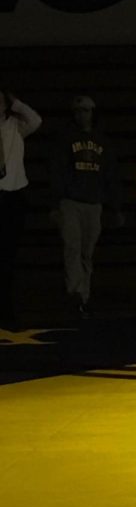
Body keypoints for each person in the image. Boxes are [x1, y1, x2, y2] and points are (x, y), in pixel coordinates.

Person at [49, 95, 123, 318]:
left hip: (94, 203)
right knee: (72, 248)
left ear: (93, 113)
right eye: (79, 111)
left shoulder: (103, 141)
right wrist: (55, 203)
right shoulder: (65, 139)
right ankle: (76, 295)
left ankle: (84, 296)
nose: (82, 115)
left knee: (86, 252)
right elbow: (56, 172)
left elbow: (111, 175)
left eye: (86, 110)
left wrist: (115, 206)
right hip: (70, 202)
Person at [0, 90, 42, 328]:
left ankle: (6, 308)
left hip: (13, 195)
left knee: (8, 256)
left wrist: (15, 102)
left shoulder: (16, 126)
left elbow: (36, 120)